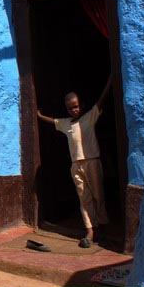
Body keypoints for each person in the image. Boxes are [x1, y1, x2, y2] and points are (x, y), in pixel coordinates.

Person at [37, 73, 113, 248]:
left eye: (76, 106)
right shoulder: (66, 124)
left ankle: (103, 226)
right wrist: (40, 116)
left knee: (98, 195)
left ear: (82, 105)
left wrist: (110, 81)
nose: (74, 110)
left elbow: (102, 99)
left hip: (92, 161)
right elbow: (53, 121)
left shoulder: (90, 117)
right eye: (70, 108)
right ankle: (90, 229)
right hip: (76, 165)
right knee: (84, 198)